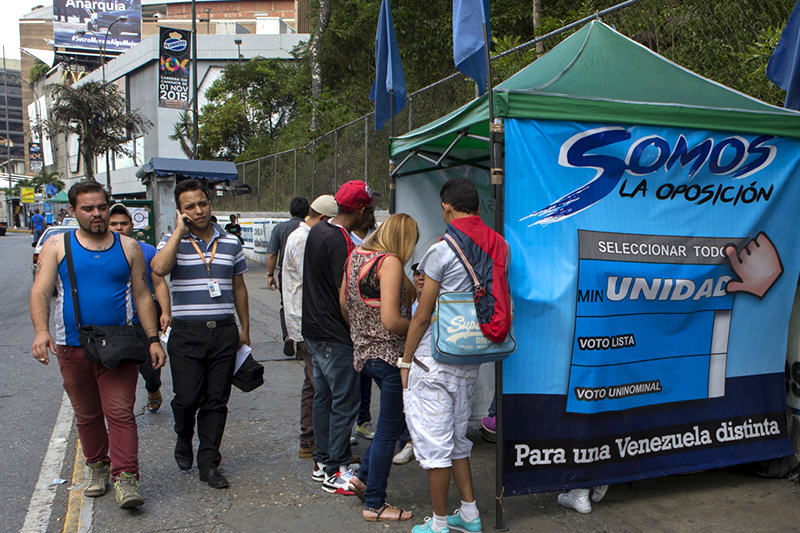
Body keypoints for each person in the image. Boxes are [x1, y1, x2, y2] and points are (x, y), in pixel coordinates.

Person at [30, 180, 167, 509]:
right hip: (72, 346)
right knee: (87, 414)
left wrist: (152, 339)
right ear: (74, 211)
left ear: (109, 207)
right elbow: (40, 291)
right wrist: (40, 331)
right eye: (88, 209)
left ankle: (126, 478)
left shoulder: (129, 247)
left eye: (102, 207)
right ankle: (97, 467)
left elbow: (142, 294)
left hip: (118, 344)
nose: (97, 214)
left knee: (120, 412)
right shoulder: (56, 246)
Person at [401, 178, 510, 533]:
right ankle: (469, 513)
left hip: (435, 358)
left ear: (446, 207)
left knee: (435, 448)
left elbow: (421, 315)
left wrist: (405, 361)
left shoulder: (441, 249)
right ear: (477, 207)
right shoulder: (499, 244)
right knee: (458, 440)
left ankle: (437, 524)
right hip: (470, 358)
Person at [151, 178, 250, 489]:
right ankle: (184, 435)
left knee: (216, 401)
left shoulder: (231, 243)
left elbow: (239, 287)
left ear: (211, 204)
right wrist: (179, 231)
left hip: (223, 332)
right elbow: (159, 268)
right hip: (186, 334)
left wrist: (244, 329)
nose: (198, 210)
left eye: (202, 203)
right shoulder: (171, 241)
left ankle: (209, 463)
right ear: (180, 211)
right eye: (189, 206)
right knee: (187, 397)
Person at [303, 180, 379, 495]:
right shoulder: (340, 241)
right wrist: (359, 329)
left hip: (314, 331)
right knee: (344, 401)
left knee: (324, 398)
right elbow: (344, 294)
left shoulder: (318, 230)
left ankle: (323, 462)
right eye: (370, 209)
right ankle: (337, 468)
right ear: (361, 209)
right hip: (334, 334)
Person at [342, 213, 418, 522]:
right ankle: (374, 503)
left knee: (393, 423)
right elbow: (391, 320)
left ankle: (362, 477)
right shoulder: (389, 263)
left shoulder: (356, 255)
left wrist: (362, 331)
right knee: (389, 431)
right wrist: (417, 327)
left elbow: (344, 304)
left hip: (364, 353)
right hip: (388, 357)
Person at [281, 194, 339, 459]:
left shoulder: (301, 235)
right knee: (318, 382)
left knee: (313, 380)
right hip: (307, 318)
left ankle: (311, 437)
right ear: (324, 219)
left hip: (304, 316)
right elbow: (315, 277)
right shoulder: (304, 238)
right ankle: (314, 439)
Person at [108, 203, 172, 413]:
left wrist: (165, 311)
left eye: (123, 223)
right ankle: (121, 409)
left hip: (143, 322)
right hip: (113, 325)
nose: (119, 227)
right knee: (117, 370)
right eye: (114, 224)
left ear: (132, 225)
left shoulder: (147, 251)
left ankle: (153, 389)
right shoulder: (98, 252)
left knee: (151, 367)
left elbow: (159, 283)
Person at [267, 197, 310, 357]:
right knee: (304, 304)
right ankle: (301, 343)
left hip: (286, 273)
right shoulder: (308, 229)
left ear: (290, 210)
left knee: (286, 304)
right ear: (307, 211)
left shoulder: (280, 228)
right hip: (307, 272)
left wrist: (270, 274)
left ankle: (288, 336)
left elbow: (272, 254)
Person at [350, 211, 378, 441]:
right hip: (356, 316)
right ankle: (351, 422)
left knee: (368, 375)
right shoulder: (347, 239)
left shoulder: (376, 236)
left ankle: (363, 420)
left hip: (375, 314)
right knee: (354, 375)